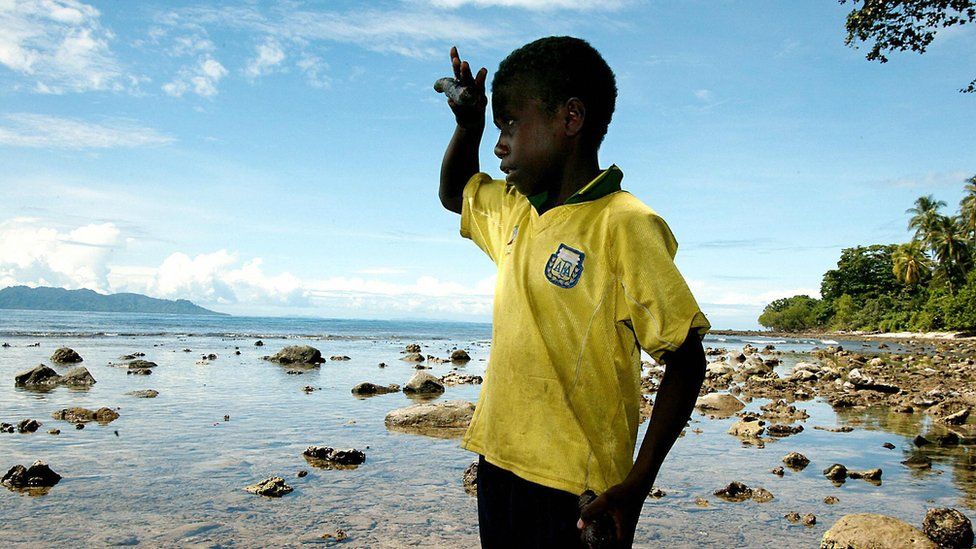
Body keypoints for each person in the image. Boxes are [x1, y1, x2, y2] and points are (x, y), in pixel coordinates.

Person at [437, 36, 710, 548]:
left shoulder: (624, 224)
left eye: (510, 124)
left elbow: (686, 358)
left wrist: (636, 486)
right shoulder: (516, 210)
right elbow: (456, 192)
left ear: (571, 119)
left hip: (577, 490)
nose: (500, 145)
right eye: (496, 129)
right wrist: (466, 125)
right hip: (498, 461)